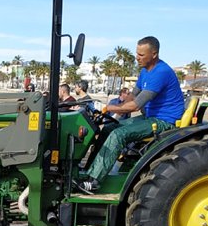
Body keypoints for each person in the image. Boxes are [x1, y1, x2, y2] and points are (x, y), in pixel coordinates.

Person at [78, 36, 185, 194]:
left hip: (164, 121)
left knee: (118, 135)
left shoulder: (161, 72)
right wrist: (115, 108)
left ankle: (94, 182)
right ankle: (89, 171)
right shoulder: (145, 71)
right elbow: (132, 96)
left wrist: (108, 107)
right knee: (108, 129)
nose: (137, 57)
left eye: (141, 55)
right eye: (137, 53)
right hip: (150, 117)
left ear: (154, 54)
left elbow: (135, 105)